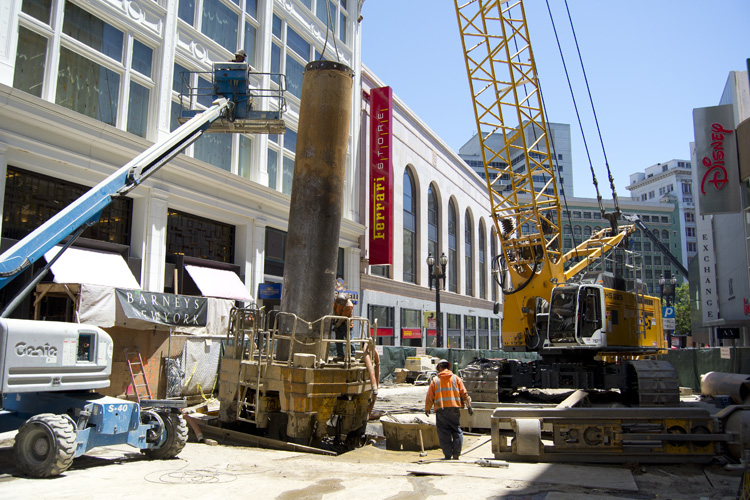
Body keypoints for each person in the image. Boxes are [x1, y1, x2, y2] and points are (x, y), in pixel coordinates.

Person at [424, 359, 473, 460]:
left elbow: (429, 397)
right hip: (454, 409)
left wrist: (427, 409)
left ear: (439, 368)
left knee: (443, 433)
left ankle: (447, 455)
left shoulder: (435, 380)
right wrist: (469, 406)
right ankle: (456, 454)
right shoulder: (456, 379)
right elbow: (464, 393)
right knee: (456, 431)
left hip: (441, 410)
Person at [332, 292, 353, 358]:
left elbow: (342, 319)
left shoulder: (349, 305)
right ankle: (340, 355)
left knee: (350, 340)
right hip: (338, 321)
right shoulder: (337, 300)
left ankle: (352, 355)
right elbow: (334, 309)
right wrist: (333, 319)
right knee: (338, 340)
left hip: (346, 323)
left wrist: (336, 326)